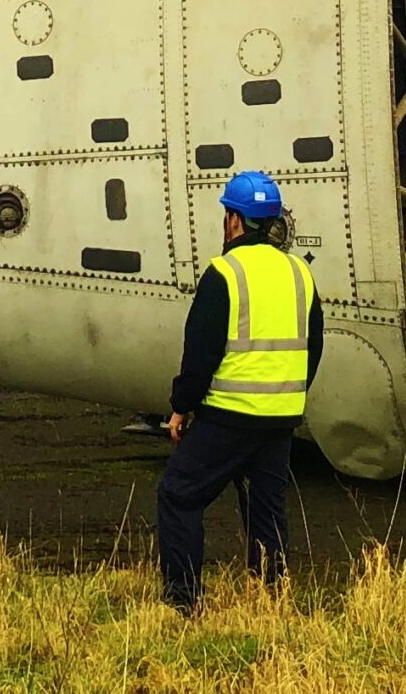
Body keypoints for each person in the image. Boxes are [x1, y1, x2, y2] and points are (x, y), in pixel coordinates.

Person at [156, 169, 325, 613]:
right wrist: (288, 392)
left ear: (234, 221)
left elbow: (200, 354)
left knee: (179, 494)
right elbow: (315, 345)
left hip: (230, 414)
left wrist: (181, 408)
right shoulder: (299, 273)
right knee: (267, 510)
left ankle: (183, 601)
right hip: (282, 415)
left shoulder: (224, 274)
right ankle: (271, 597)